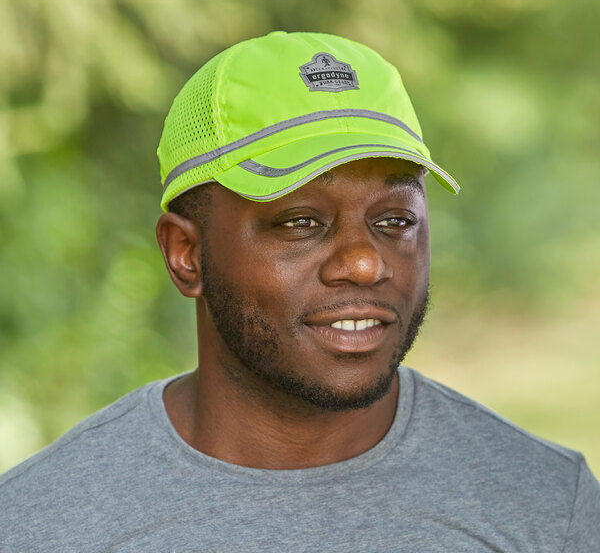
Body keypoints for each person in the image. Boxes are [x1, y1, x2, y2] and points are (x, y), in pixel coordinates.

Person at [1, 31, 598, 551]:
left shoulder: (548, 506)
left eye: (394, 219)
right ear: (186, 254)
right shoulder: (40, 524)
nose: (366, 263)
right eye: (300, 222)